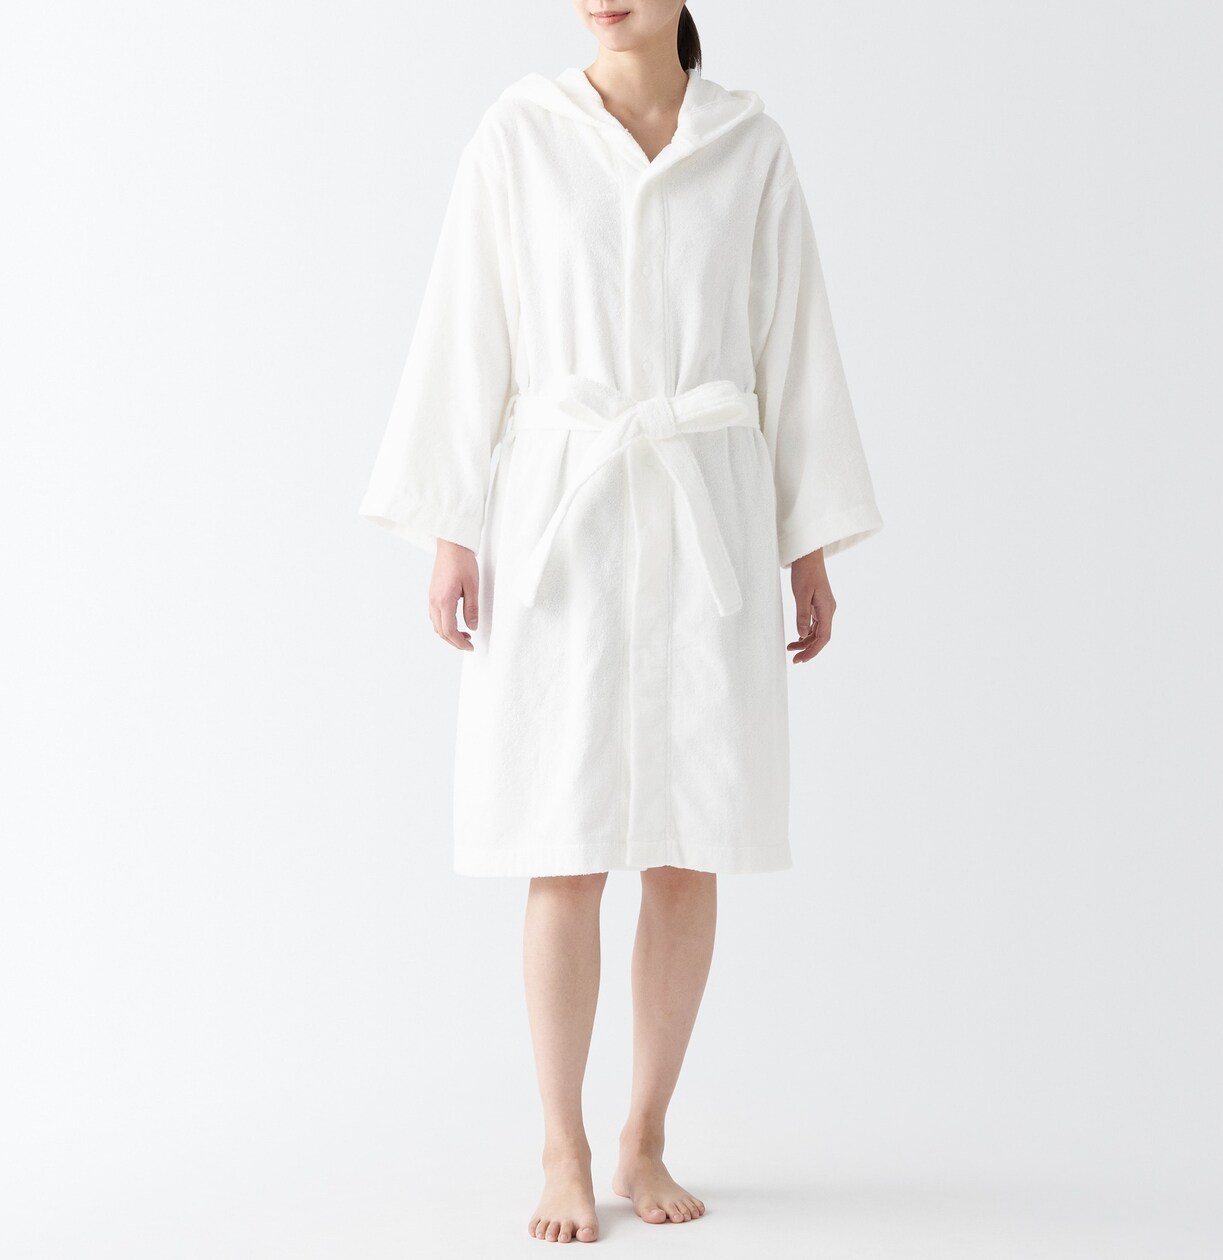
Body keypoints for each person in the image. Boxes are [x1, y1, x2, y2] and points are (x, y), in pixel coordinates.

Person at [358, 0, 883, 1245]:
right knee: (564, 837)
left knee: (691, 841)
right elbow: (466, 326)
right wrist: (451, 526)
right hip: (566, 524)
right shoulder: (519, 133)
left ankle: (646, 1131)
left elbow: (794, 344)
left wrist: (807, 537)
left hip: (707, 517)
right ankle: (563, 1144)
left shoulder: (749, 146)